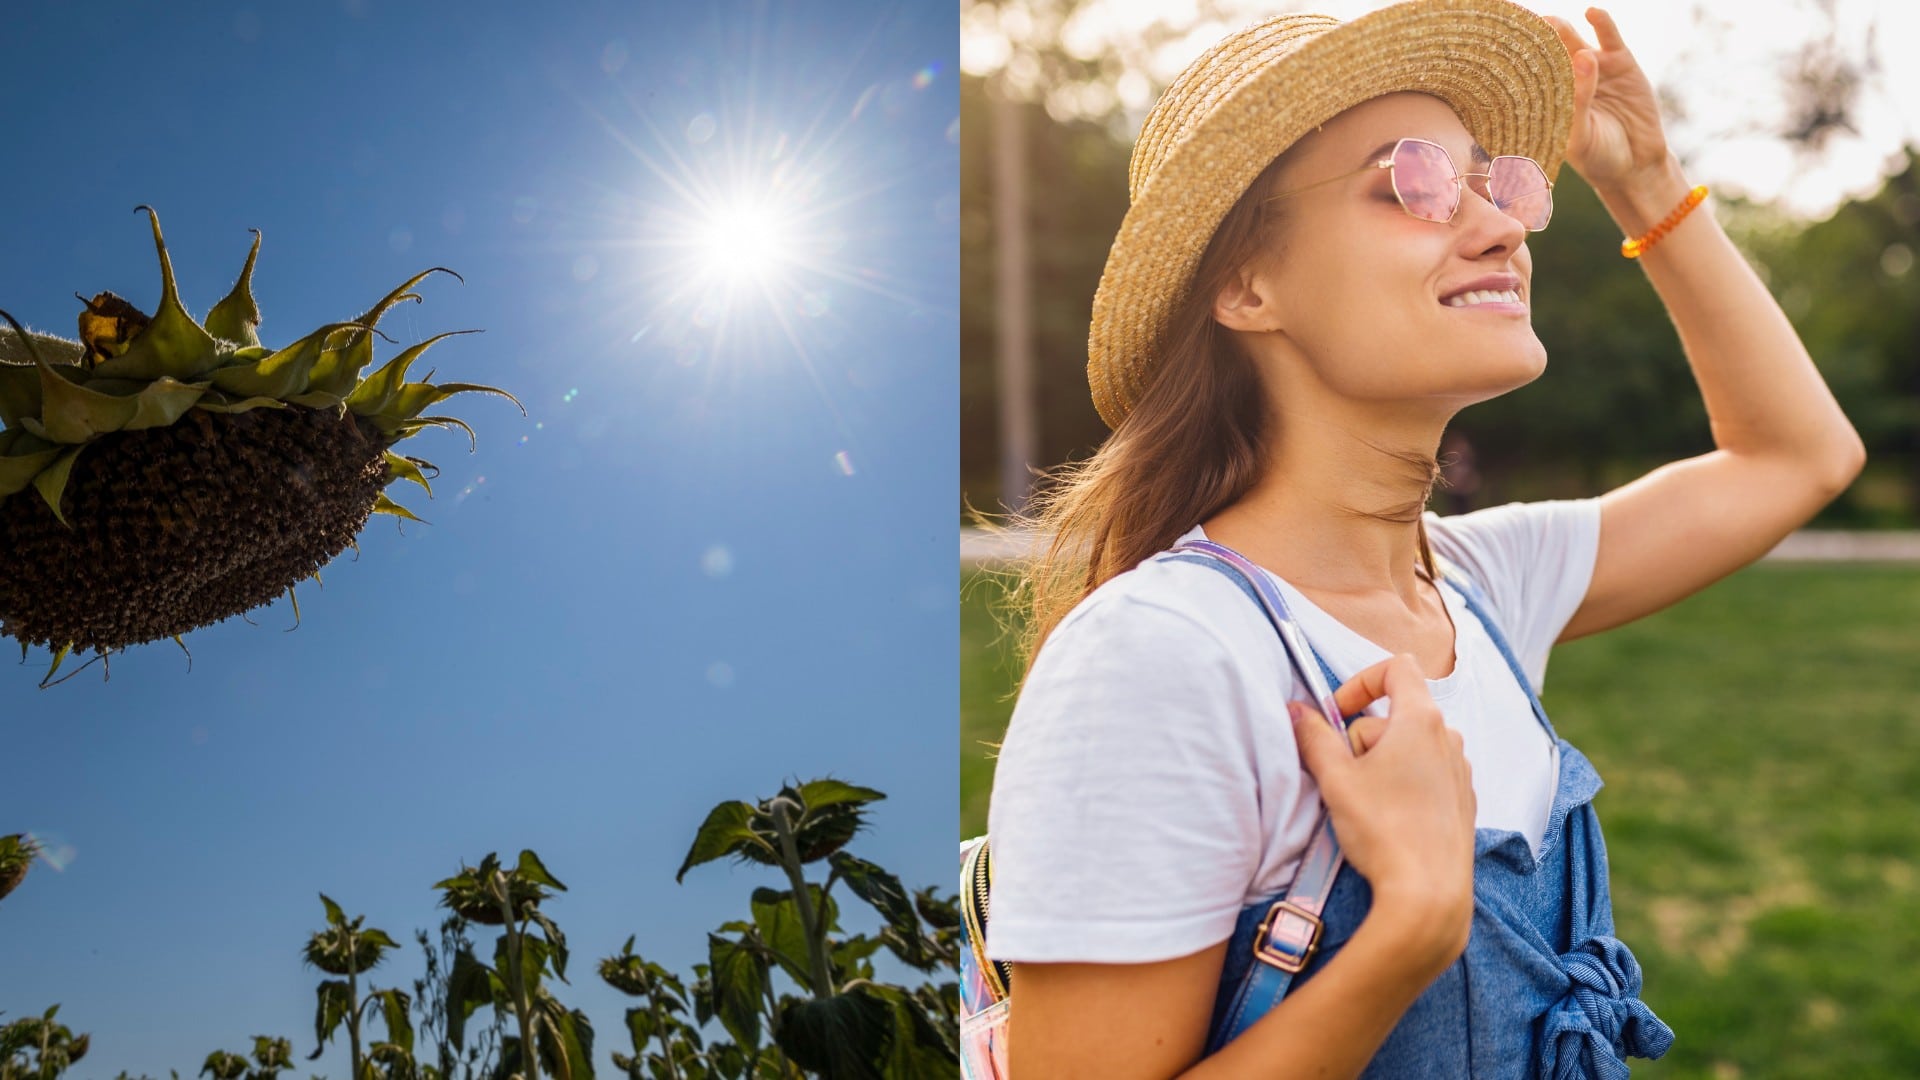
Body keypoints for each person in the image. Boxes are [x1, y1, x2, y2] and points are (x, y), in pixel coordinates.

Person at [982, 1, 1865, 1077]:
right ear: (1246, 285)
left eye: (1497, 185)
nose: (1502, 227)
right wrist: (1410, 930)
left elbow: (1798, 456)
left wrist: (1646, 182)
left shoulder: (1476, 587)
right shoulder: (1163, 655)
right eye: (1413, 181)